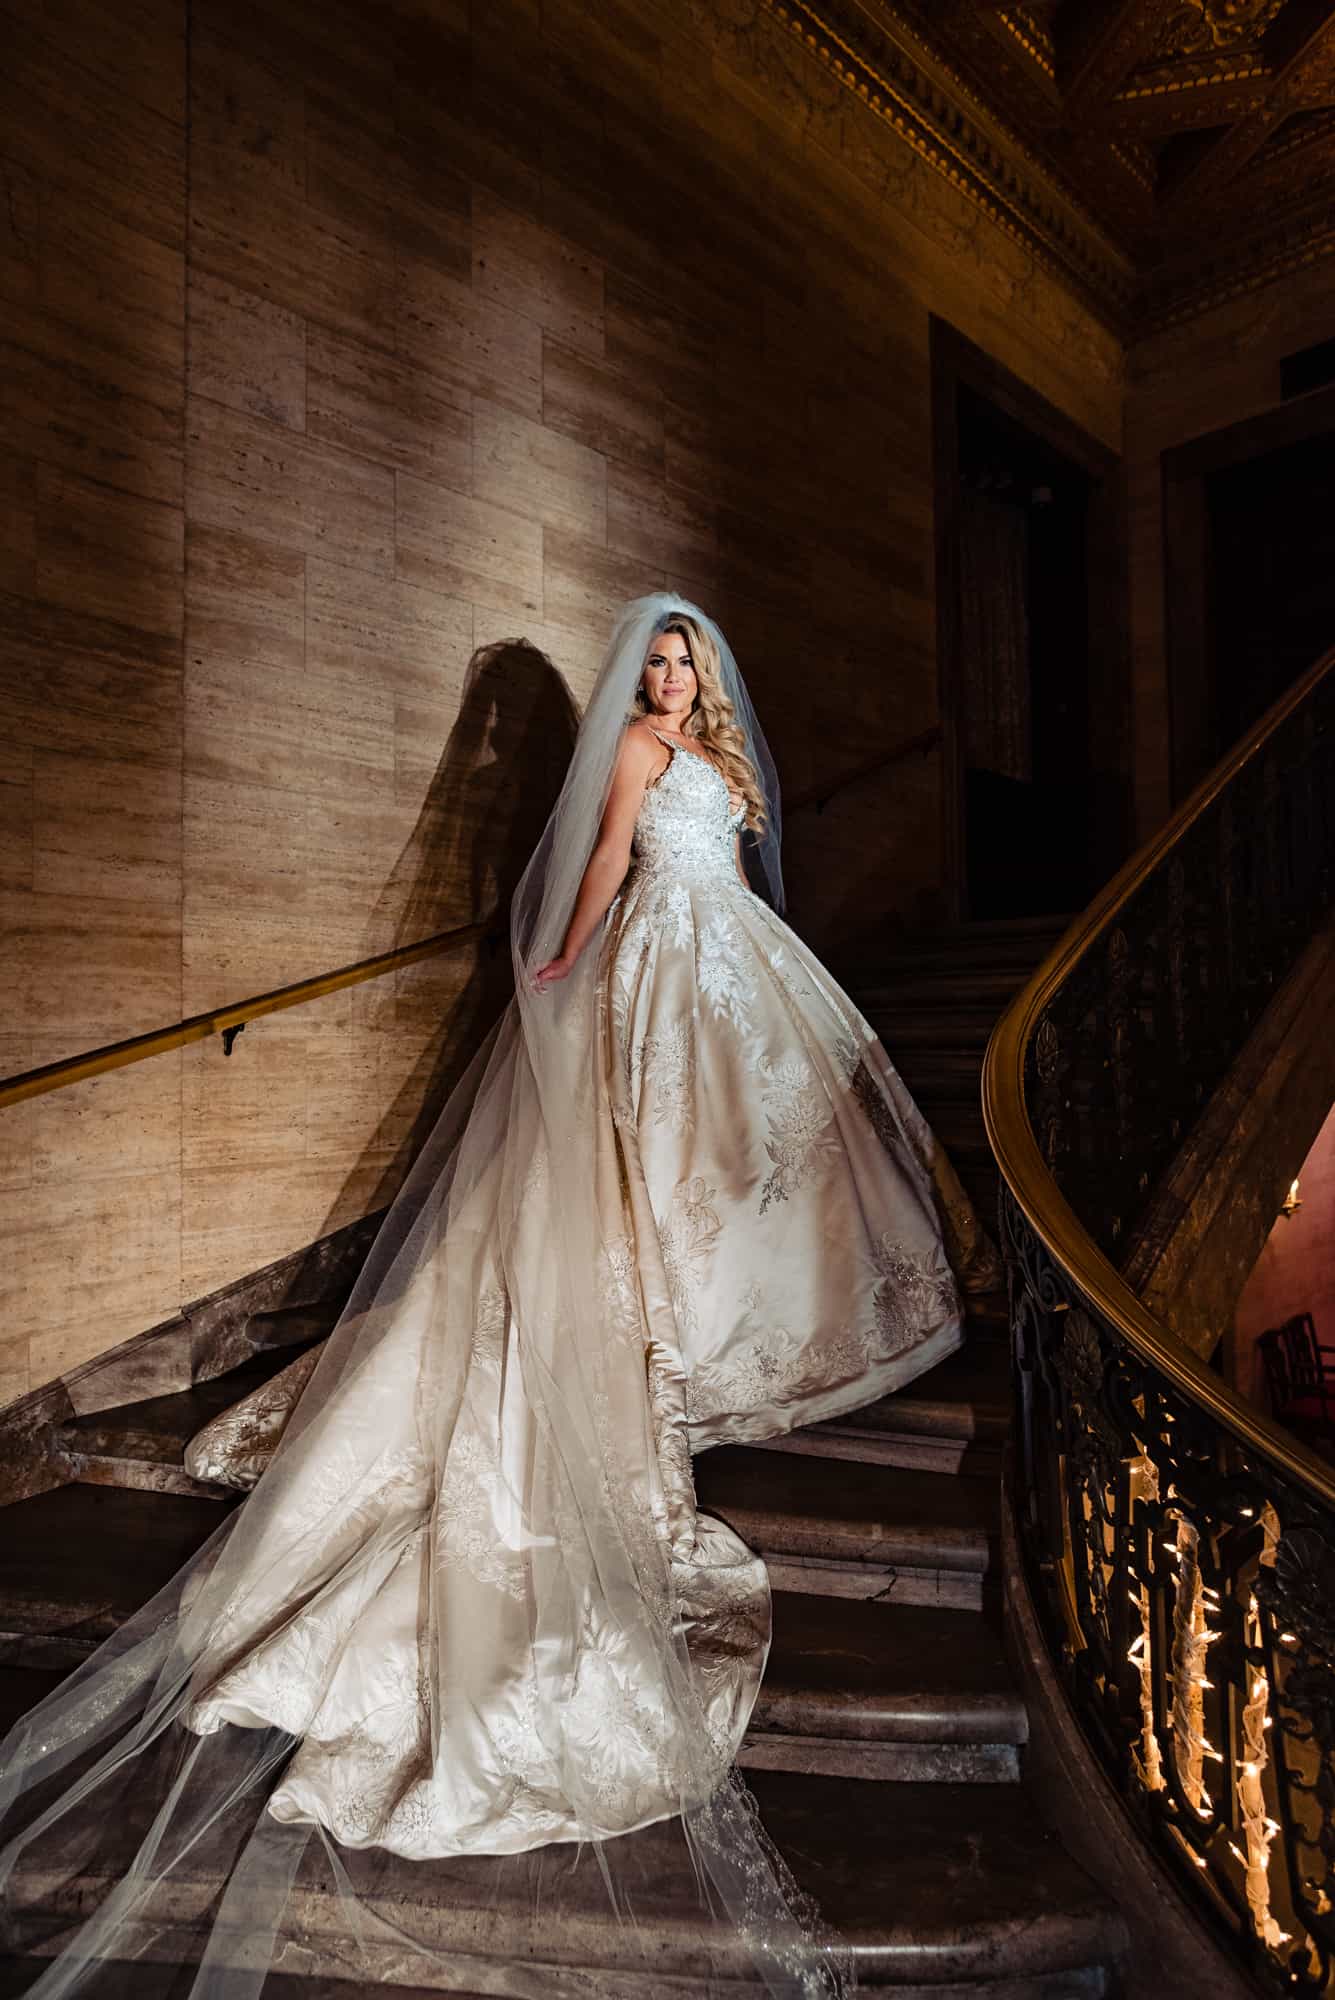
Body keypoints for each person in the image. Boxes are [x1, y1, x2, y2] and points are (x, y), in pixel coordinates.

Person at [0, 594, 999, 2000]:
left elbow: (737, 871)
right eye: (651, 662)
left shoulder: (721, 764)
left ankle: (723, 1337)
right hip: (655, 966)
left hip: (736, 968)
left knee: (752, 1165)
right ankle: (654, 1339)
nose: (664, 679)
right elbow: (601, 864)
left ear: (709, 672)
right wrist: (557, 962)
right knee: (646, 1171)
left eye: (682, 661)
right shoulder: (644, 763)